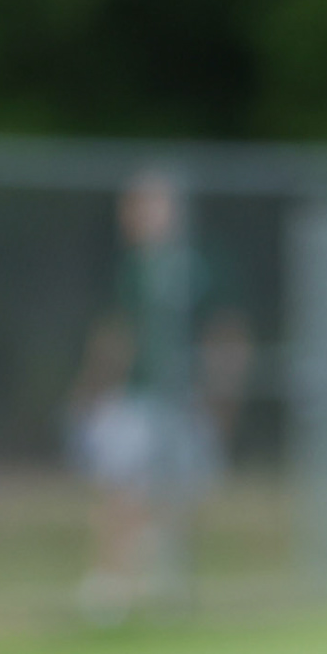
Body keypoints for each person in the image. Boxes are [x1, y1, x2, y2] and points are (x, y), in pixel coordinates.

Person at [67, 170, 250, 621]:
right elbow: (118, 335)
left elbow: (226, 332)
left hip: (186, 397)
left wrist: (222, 392)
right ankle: (112, 584)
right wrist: (94, 387)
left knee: (184, 491)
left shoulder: (206, 262)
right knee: (120, 485)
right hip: (138, 398)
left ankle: (165, 578)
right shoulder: (133, 265)